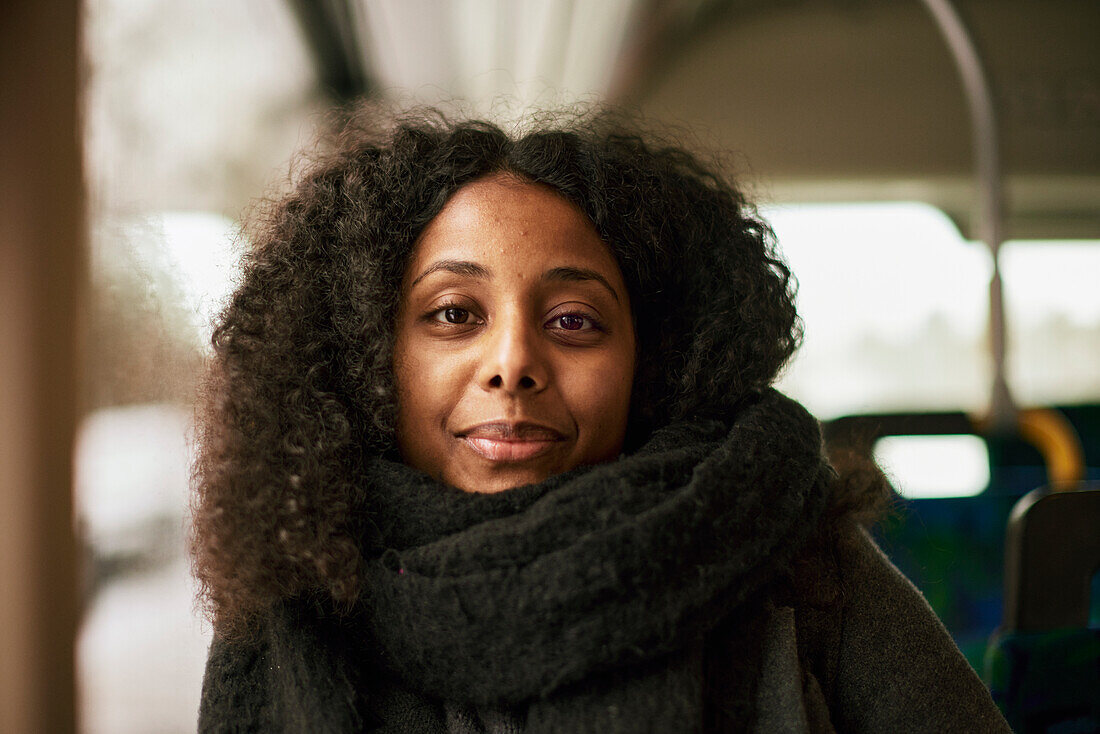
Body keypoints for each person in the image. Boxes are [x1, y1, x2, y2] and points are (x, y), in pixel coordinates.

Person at [192, 107, 1010, 733]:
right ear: (369, 356)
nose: (511, 362)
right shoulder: (295, 596)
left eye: (575, 320)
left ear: (649, 363)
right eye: (452, 314)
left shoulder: (800, 560)